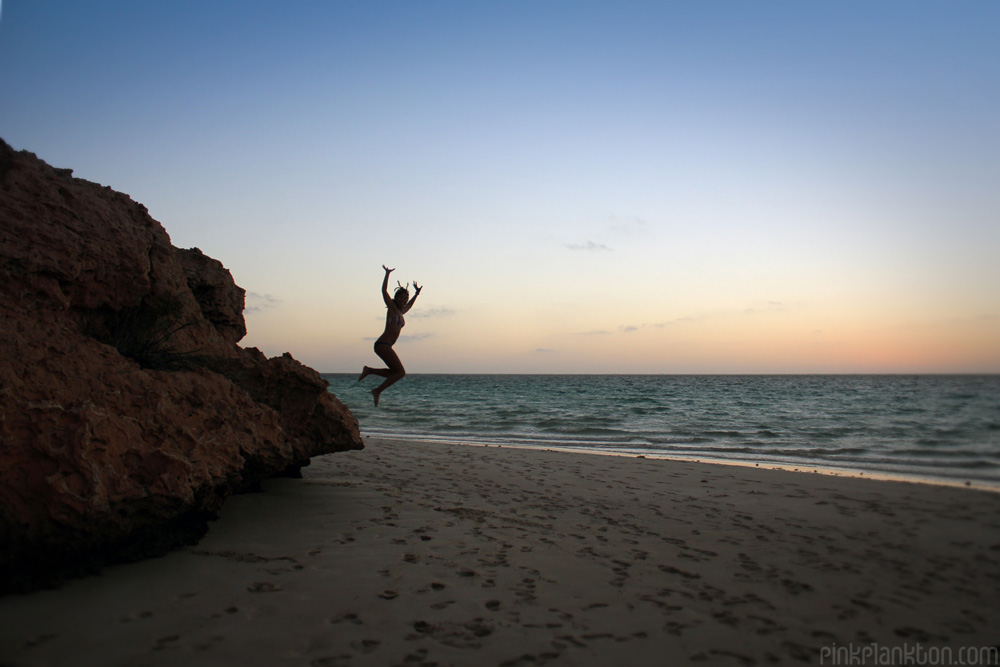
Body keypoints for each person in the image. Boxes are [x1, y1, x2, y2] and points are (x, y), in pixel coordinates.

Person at [358, 264, 422, 406]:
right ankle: (377, 390)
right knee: (400, 373)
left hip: (385, 346)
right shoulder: (392, 308)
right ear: (396, 297)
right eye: (401, 297)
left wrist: (417, 294)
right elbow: (383, 290)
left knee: (395, 372)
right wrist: (387, 274)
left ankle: (369, 370)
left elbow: (410, 305)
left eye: (405, 298)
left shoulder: (401, 312)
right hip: (383, 345)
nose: (404, 300)